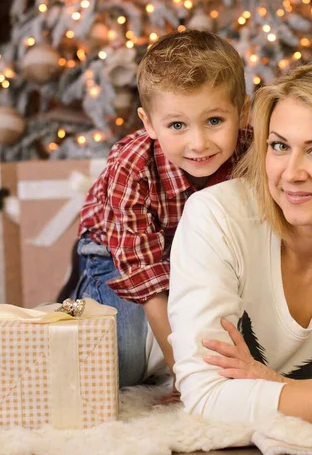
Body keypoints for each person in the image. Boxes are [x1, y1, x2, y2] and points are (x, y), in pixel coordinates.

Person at [168, 61, 312, 431]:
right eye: (279, 146)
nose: (291, 173)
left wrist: (278, 386)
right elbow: (206, 398)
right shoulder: (218, 215)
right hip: (135, 358)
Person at [74, 29, 251, 387]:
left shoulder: (254, 152)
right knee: (120, 365)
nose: (198, 143)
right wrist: (182, 371)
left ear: (243, 112)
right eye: (177, 125)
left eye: (214, 121)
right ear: (149, 123)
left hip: (209, 254)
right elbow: (144, 273)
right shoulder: (132, 164)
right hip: (120, 248)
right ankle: (80, 298)